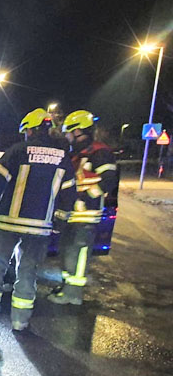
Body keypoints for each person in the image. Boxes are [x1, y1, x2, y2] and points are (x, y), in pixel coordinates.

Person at [0, 108, 77, 330]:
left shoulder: (17, 151)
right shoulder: (62, 158)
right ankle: (20, 320)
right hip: (40, 228)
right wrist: (60, 221)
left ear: (30, 130)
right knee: (28, 270)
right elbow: (69, 194)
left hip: (6, 223)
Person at [48, 110, 118, 305]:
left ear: (78, 131)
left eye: (69, 133)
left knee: (78, 253)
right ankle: (66, 287)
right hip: (72, 214)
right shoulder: (78, 154)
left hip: (86, 214)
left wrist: (85, 198)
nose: (68, 137)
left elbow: (109, 180)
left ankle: (74, 294)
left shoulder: (100, 152)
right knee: (65, 251)